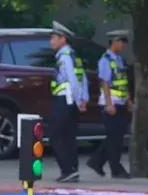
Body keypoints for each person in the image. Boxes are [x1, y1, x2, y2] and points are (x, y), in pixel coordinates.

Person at [87, 29, 132, 179]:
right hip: (110, 103)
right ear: (114, 42)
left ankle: (96, 161)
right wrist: (108, 104)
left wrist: (128, 101)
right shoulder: (105, 60)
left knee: (116, 137)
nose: (123, 46)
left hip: (120, 103)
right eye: (121, 42)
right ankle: (116, 169)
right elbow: (104, 83)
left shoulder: (119, 60)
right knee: (114, 138)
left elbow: (123, 83)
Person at [48, 21, 88, 183]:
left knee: (56, 135)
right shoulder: (73, 55)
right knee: (69, 136)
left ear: (62, 39)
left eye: (53, 38)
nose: (51, 41)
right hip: (72, 101)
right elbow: (83, 78)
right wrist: (83, 98)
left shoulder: (64, 57)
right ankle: (72, 170)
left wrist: (79, 100)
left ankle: (67, 169)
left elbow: (72, 79)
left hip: (64, 100)